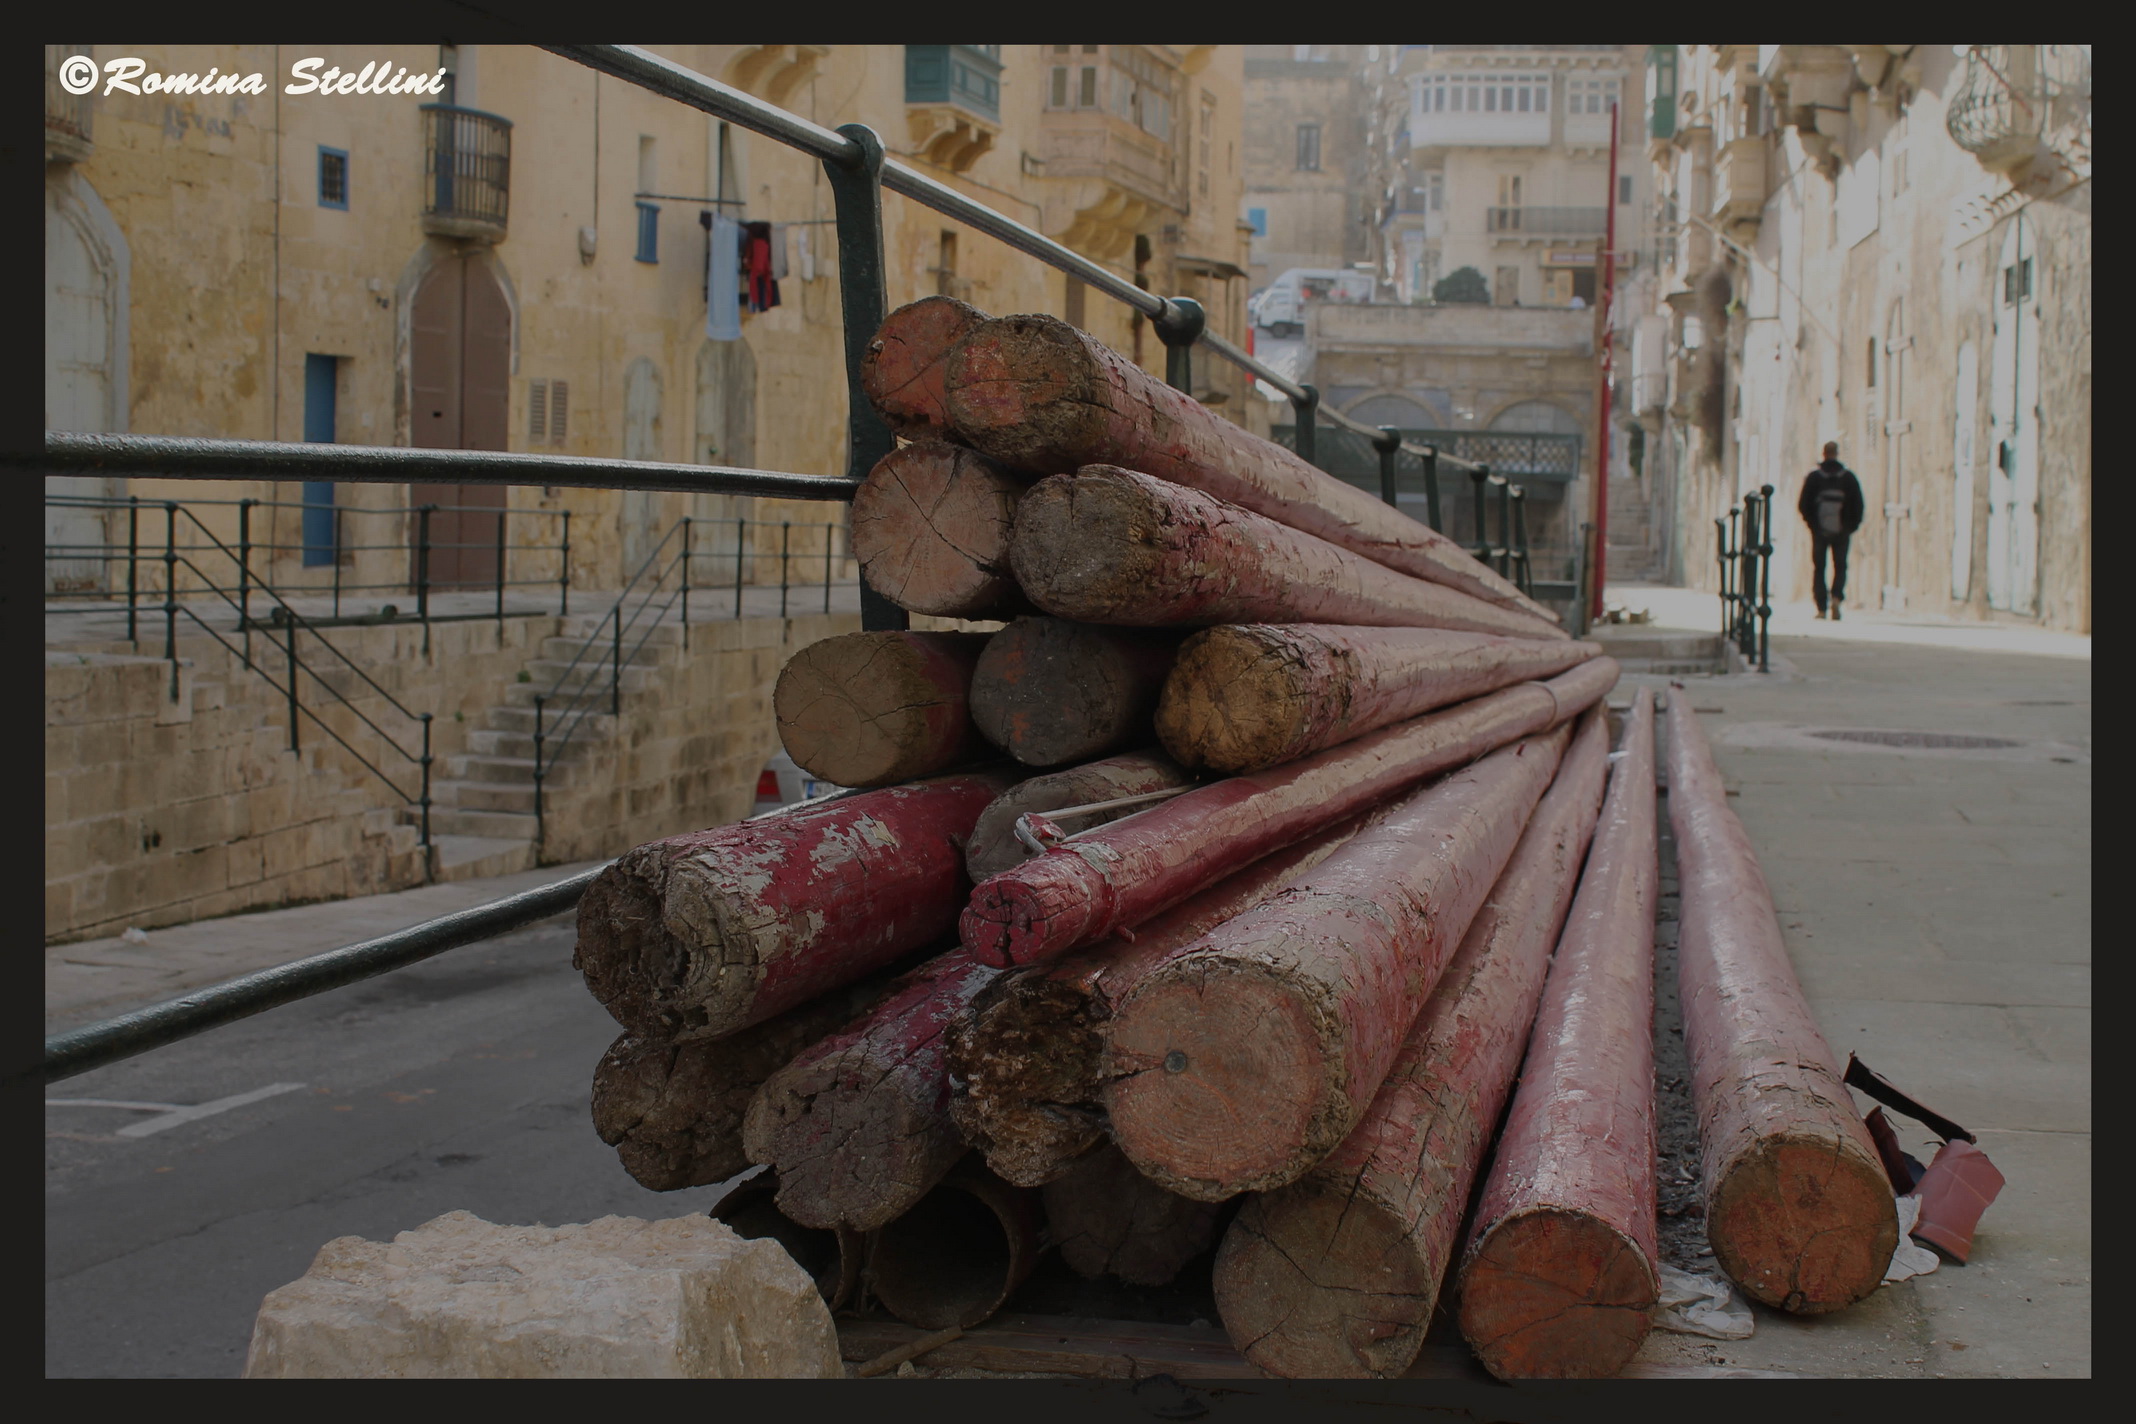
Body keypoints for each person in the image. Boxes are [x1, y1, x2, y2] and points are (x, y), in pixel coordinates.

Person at [1797, 441, 1865, 620]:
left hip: (1819, 531)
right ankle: (1836, 598)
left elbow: (1803, 504)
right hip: (1842, 530)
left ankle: (1821, 607)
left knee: (1819, 567)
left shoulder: (1814, 478)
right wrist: (1850, 526)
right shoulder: (1848, 478)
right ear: (1837, 453)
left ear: (1824, 453)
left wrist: (1813, 524)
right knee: (1840, 565)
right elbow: (1858, 505)